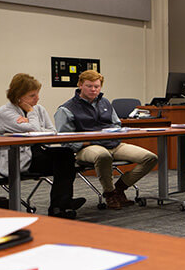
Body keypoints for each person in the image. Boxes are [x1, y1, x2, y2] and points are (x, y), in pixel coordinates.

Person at [54, 70, 157, 210]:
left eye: (96, 86)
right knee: (103, 155)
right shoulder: (66, 109)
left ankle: (119, 188)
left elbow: (116, 124)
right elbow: (66, 141)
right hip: (86, 147)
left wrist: (113, 133)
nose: (93, 89)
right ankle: (110, 194)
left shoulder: (105, 102)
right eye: (89, 86)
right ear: (80, 85)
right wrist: (90, 141)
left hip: (112, 143)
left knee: (150, 158)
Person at [0, 74, 85, 218]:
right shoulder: (5, 112)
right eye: (32, 95)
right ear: (18, 96)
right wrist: (31, 116)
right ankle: (63, 204)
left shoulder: (39, 109)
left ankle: (59, 206)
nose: (37, 98)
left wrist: (32, 127)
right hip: (17, 158)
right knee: (62, 159)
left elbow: (52, 131)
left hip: (37, 151)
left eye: (37, 94)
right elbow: (35, 128)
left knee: (65, 154)